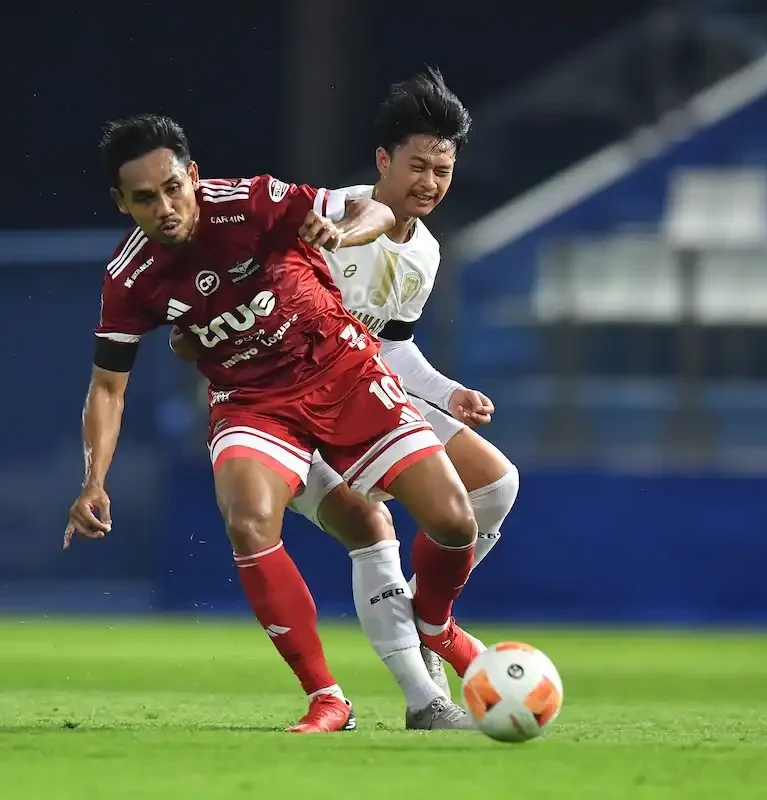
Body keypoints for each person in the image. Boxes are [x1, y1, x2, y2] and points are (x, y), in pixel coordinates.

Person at [64, 113, 480, 734]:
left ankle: (435, 626)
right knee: (249, 518)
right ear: (122, 203)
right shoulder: (131, 278)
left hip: (344, 372)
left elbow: (378, 214)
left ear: (192, 176)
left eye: (173, 187)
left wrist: (341, 236)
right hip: (253, 402)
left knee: (454, 519)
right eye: (145, 198)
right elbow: (107, 386)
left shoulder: (252, 202)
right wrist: (94, 479)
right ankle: (327, 698)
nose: (166, 207)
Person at [173, 68, 518, 728]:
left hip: (358, 388)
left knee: (496, 488)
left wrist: (450, 393)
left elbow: (390, 345)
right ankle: (426, 698)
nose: (429, 184)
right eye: (417, 166)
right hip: (276, 401)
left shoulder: (427, 252)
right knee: (373, 529)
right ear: (383, 160)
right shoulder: (329, 216)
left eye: (442, 171)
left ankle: (425, 616)